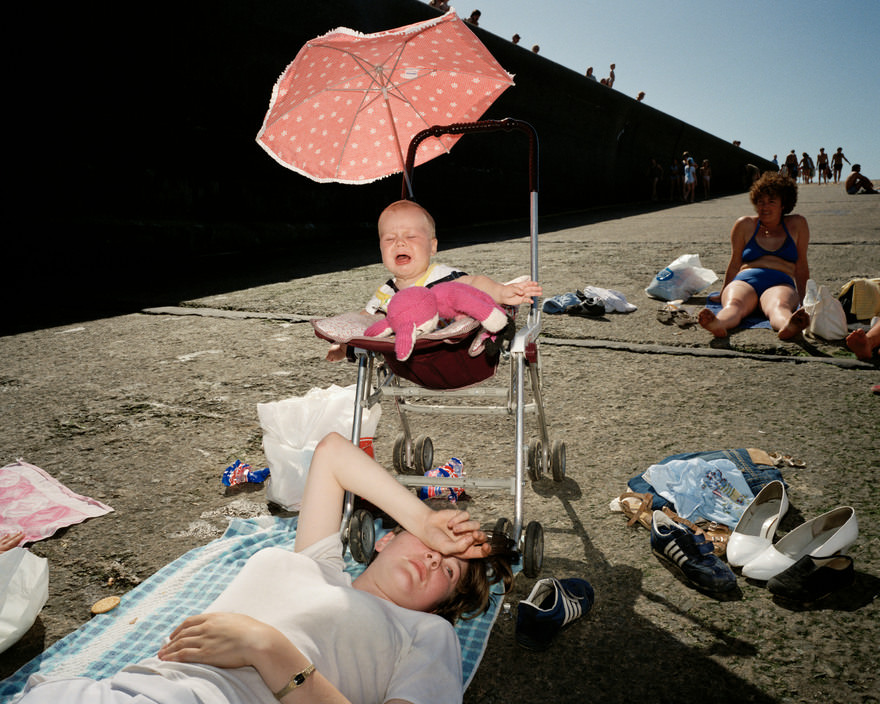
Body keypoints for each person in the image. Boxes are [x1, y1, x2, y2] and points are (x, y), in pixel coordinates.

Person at [17, 432, 514, 703]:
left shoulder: (425, 635)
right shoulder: (317, 565)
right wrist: (425, 518)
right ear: (384, 541)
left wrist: (270, 651)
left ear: (440, 606)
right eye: (433, 548)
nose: (434, 558)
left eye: (449, 573)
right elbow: (333, 453)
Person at [326, 200, 542, 361]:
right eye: (390, 239)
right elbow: (367, 326)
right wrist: (345, 347)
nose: (400, 243)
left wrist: (501, 292)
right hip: (410, 359)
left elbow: (475, 284)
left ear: (433, 246)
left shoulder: (442, 276)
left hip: (457, 353)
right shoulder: (385, 294)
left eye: (411, 237)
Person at [698, 172, 811, 340]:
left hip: (780, 282)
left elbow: (801, 266)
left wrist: (805, 300)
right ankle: (718, 324)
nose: (764, 207)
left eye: (771, 201)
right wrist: (723, 292)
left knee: (779, 306)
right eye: (760, 202)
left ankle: (788, 324)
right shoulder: (745, 225)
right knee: (733, 304)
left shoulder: (797, 224)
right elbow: (735, 263)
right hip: (745, 280)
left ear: (783, 204)